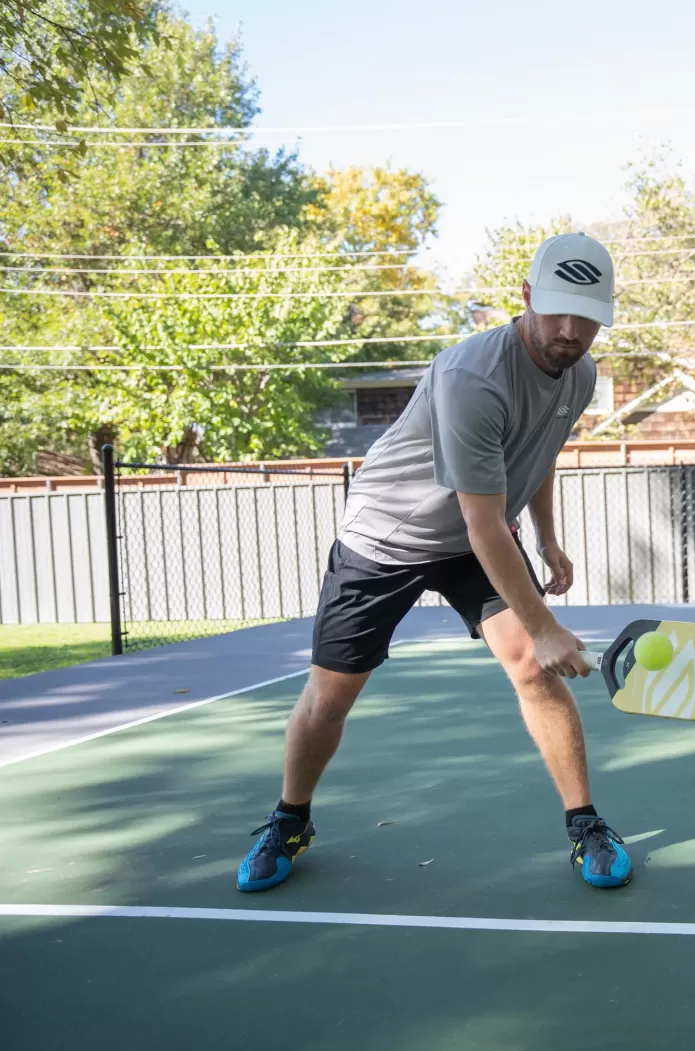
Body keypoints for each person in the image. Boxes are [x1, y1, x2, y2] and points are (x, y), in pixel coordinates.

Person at [236, 233, 632, 893]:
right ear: (527, 297)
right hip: (388, 534)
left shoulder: (581, 374)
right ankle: (289, 818)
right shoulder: (472, 377)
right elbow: (482, 522)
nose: (569, 330)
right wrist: (542, 622)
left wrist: (548, 536)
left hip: (476, 534)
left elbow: (538, 449)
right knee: (332, 693)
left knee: (532, 670)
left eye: (585, 314)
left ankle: (584, 821)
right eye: (556, 309)